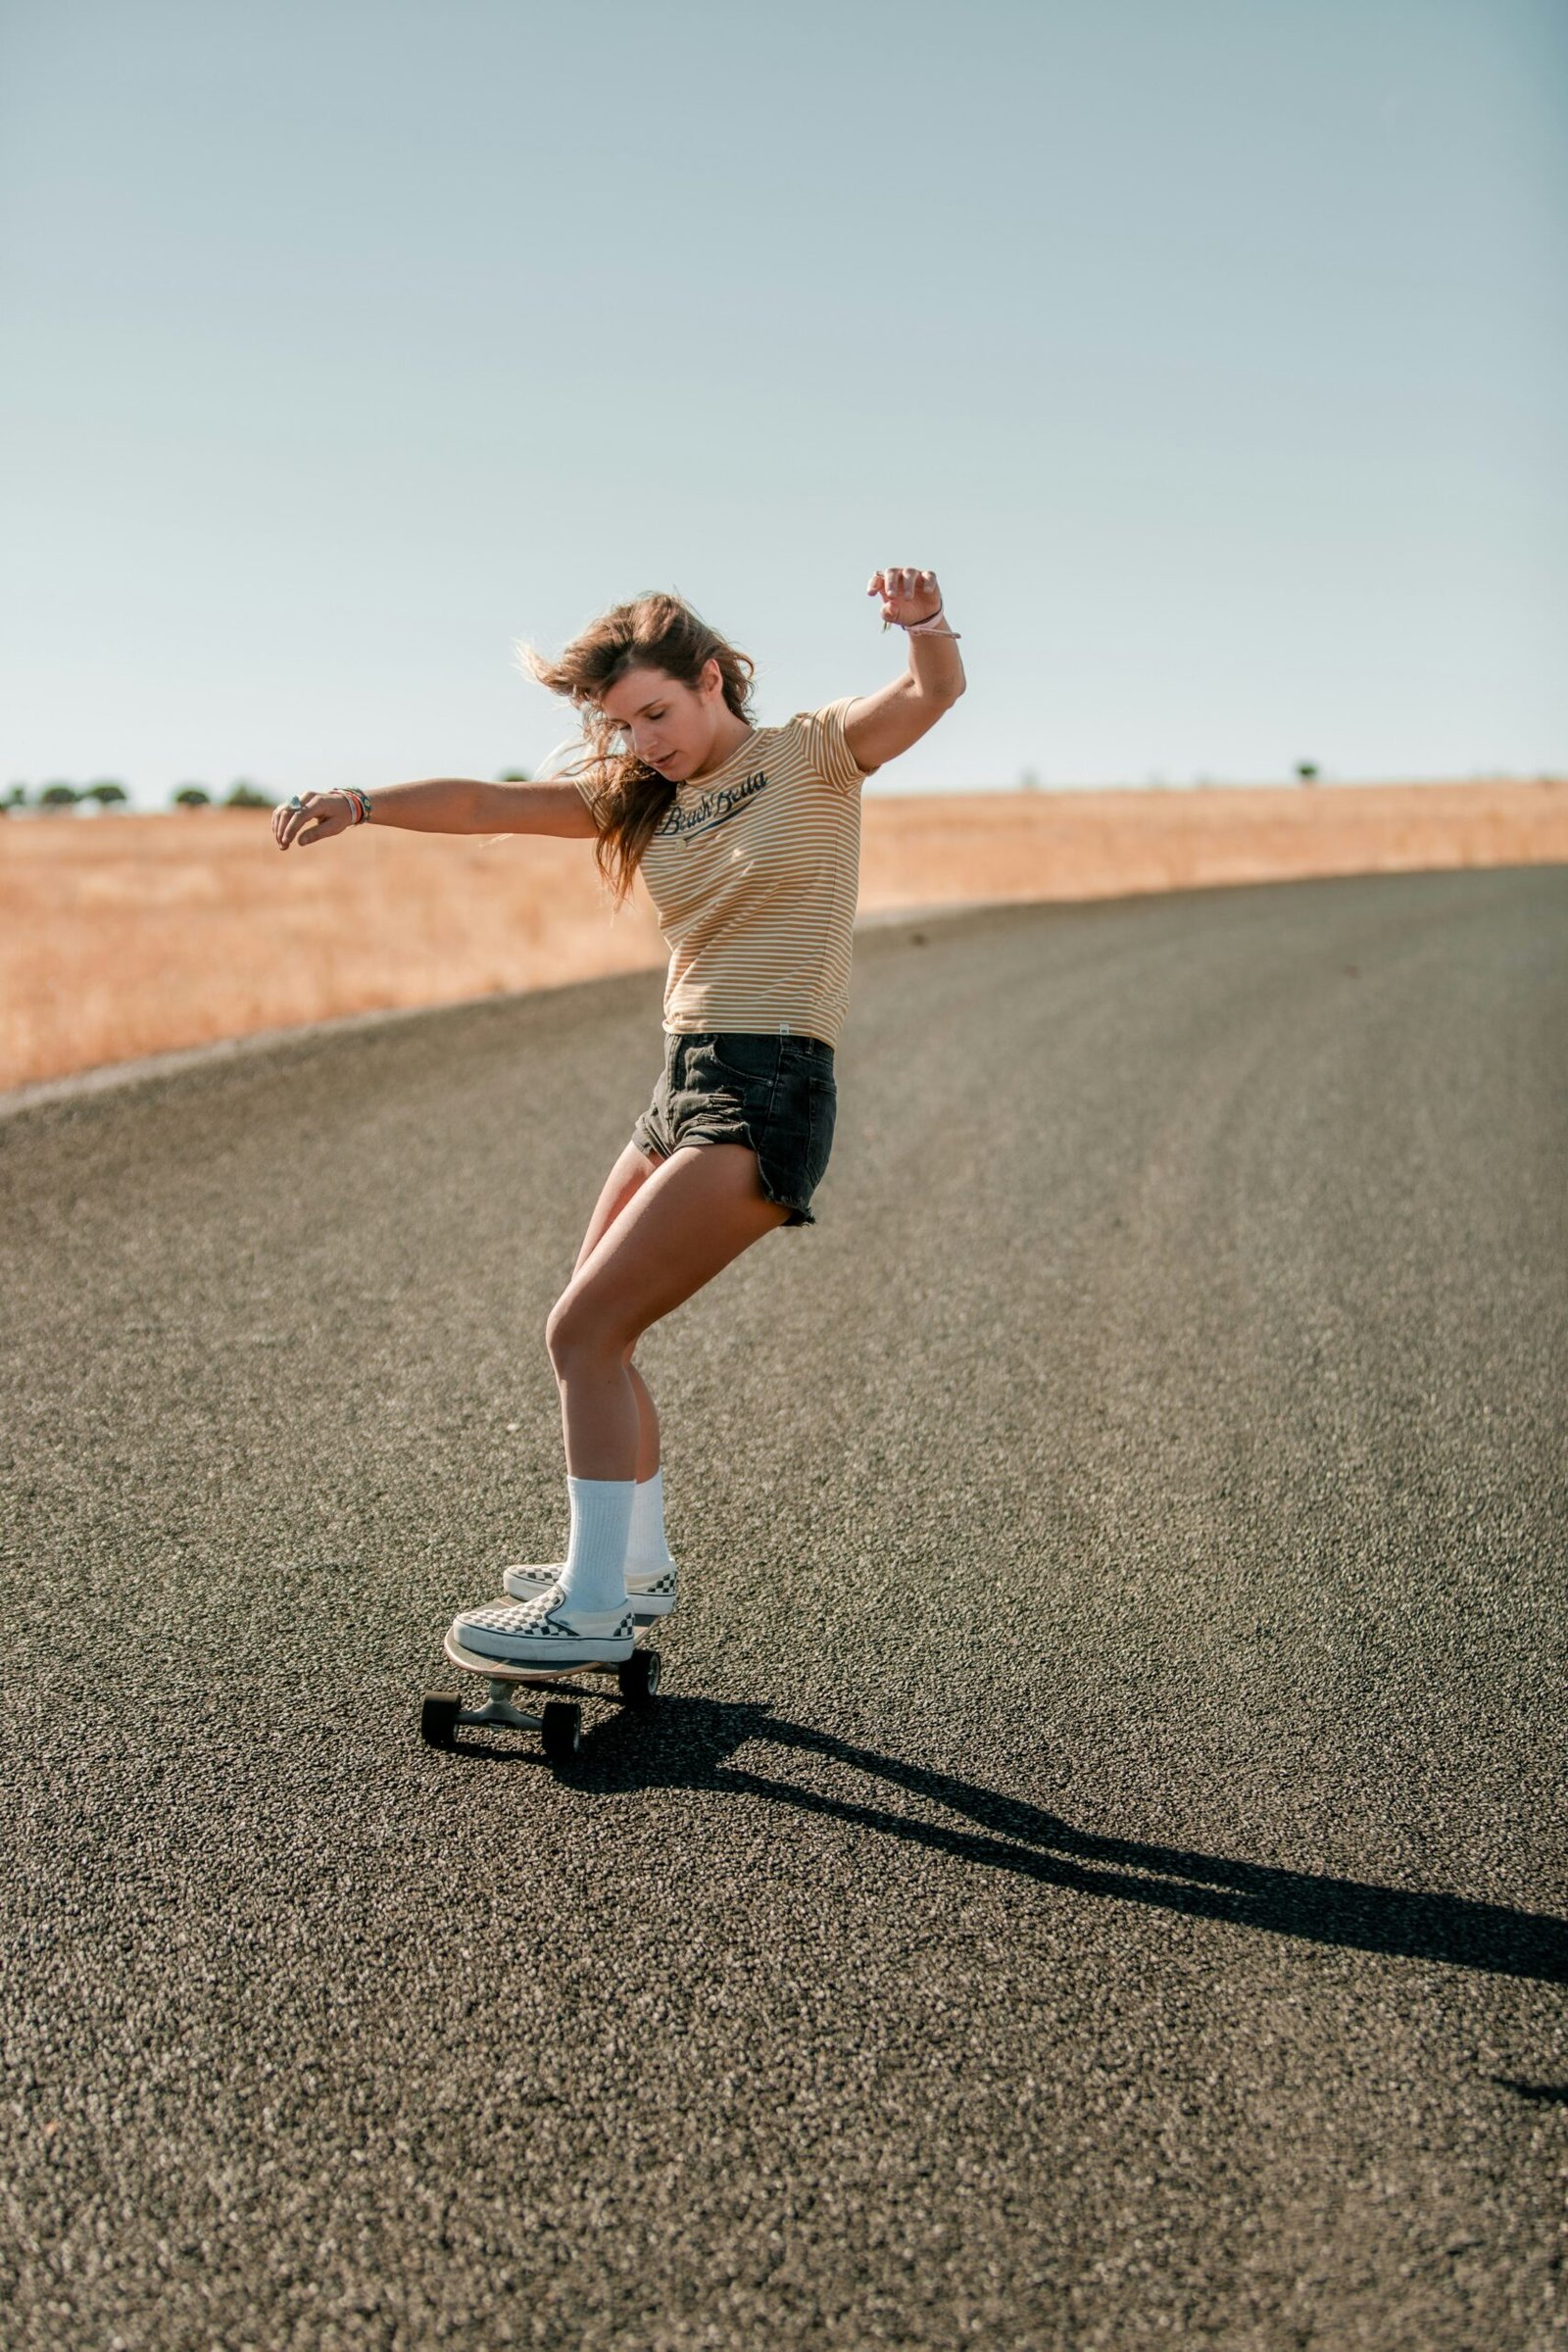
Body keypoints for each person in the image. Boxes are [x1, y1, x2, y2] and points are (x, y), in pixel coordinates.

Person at [270, 568, 965, 1666]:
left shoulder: (815, 753)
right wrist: (363, 804)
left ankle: (591, 1605)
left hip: (768, 1084)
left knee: (582, 1333)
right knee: (596, 1331)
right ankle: (628, 1566)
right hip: (679, 1086)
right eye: (621, 726)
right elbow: (491, 806)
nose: (644, 742)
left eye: (657, 714)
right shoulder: (647, 799)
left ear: (706, 679)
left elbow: (929, 697)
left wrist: (922, 626)